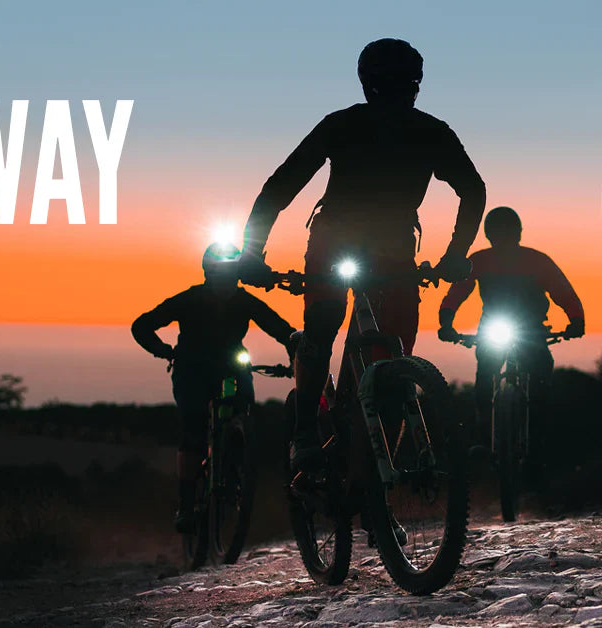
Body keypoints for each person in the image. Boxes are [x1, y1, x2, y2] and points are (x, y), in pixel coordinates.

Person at [237, 38, 487, 472]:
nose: (399, 93)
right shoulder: (426, 131)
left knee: (350, 342)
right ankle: (307, 434)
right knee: (376, 352)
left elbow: (279, 187)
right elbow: (473, 190)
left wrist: (252, 254)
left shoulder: (347, 124)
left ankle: (355, 465)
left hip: (347, 243)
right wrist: (454, 254)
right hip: (374, 248)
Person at [132, 242, 296, 532]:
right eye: (223, 275)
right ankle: (186, 505)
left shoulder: (242, 301)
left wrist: (294, 355)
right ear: (210, 274)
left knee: (241, 413)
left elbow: (283, 331)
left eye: (230, 275)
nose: (227, 282)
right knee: (194, 431)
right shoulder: (190, 299)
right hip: (191, 371)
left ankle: (234, 462)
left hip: (231, 367)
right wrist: (164, 350)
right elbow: (142, 325)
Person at [438, 206, 585, 455]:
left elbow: (563, 292)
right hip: (504, 328)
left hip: (530, 330)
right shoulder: (486, 260)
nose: (503, 237)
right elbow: (457, 292)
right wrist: (446, 321)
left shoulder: (531, 261)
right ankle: (486, 432)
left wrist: (577, 320)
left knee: (534, 381)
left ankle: (535, 442)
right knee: (487, 376)